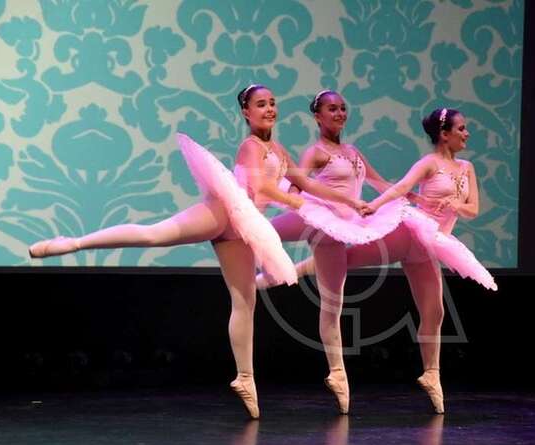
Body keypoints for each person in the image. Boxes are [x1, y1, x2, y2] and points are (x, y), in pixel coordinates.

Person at [27, 85, 360, 419]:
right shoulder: (250, 146)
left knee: (245, 302)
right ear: (246, 112)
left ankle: (245, 378)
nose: (269, 109)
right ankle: (74, 242)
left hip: (243, 228)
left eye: (272, 103)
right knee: (154, 235)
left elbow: (307, 181)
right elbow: (261, 188)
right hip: (222, 212)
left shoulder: (278, 150)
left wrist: (349, 201)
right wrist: (294, 200)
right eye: (261, 104)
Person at [267, 108, 498, 414]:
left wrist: (455, 203)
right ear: (445, 134)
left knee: (435, 311)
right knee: (342, 261)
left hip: (431, 246)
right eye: (462, 128)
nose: (467, 134)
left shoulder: (467, 167)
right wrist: (372, 206)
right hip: (409, 235)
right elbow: (401, 186)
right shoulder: (428, 163)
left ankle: (432, 375)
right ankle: (288, 272)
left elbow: (473, 209)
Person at [260, 90, 410, 414]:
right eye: (332, 109)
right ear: (318, 116)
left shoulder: (353, 152)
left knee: (333, 305)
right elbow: (299, 182)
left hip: (340, 230)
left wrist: (404, 198)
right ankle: (257, 275)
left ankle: (338, 375)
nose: (339, 113)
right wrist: (288, 196)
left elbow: (380, 182)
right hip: (317, 217)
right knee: (260, 231)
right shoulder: (315, 152)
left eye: (343, 108)